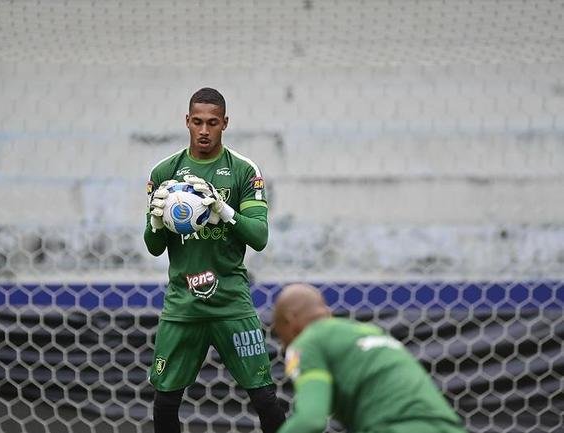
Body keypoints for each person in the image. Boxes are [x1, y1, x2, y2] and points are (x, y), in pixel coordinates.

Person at [143, 87, 285, 433]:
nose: (204, 131)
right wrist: (155, 222)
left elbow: (259, 237)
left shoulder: (243, 170)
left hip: (231, 302)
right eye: (197, 122)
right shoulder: (165, 171)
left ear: (225, 123)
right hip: (183, 305)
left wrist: (224, 210)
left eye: (212, 123)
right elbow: (153, 247)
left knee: (265, 399)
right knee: (164, 404)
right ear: (186, 122)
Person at [273, 283, 467, 433]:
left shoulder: (307, 342)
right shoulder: (369, 331)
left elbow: (310, 420)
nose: (283, 346)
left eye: (280, 336)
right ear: (327, 312)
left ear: (290, 321)